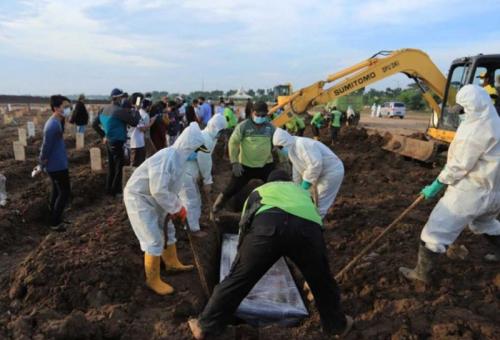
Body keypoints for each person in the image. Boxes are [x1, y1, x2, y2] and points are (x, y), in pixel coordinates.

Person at [188, 169, 353, 339]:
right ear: (290, 182)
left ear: (269, 182)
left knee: (237, 280)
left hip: (267, 228)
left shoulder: (259, 191)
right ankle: (337, 327)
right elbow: (314, 222)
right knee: (322, 281)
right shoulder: (302, 192)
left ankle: (205, 326)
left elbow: (244, 225)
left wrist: (243, 257)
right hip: (306, 231)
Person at [399, 85, 500, 284]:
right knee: (484, 223)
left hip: (471, 191)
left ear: (471, 107)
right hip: (495, 192)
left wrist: (438, 183)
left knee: (435, 231)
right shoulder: (496, 122)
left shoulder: (475, 130)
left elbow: (458, 165)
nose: (461, 113)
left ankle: (422, 275)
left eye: (463, 109)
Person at [124, 123, 209, 295]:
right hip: (140, 199)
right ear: (189, 145)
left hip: (156, 199)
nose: (196, 152)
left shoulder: (180, 161)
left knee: (168, 230)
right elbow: (158, 189)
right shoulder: (167, 157)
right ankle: (152, 279)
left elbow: (171, 189)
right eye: (196, 148)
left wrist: (177, 207)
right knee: (153, 237)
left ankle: (171, 263)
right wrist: (177, 208)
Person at [212, 101, 276, 213]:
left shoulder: (270, 127)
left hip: (266, 165)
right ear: (252, 112)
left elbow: (277, 143)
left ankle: (275, 209)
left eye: (263, 115)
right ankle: (217, 206)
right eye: (258, 115)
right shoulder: (243, 126)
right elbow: (233, 143)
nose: (260, 117)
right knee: (232, 188)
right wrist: (235, 162)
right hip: (246, 165)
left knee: (274, 187)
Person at [273, 128, 344, 218]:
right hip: (319, 173)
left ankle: (317, 224)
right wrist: (297, 189)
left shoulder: (302, 144)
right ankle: (310, 219)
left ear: (286, 141)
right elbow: (297, 171)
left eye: (280, 147)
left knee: (320, 201)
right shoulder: (291, 150)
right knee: (309, 199)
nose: (280, 150)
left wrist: (305, 184)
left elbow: (315, 165)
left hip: (331, 171)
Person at [176, 114, 227, 234]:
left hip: (189, 173)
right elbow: (205, 161)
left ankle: (194, 223)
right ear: (214, 127)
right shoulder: (204, 139)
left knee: (196, 200)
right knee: (190, 201)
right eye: (220, 131)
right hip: (184, 174)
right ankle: (192, 229)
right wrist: (207, 181)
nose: (221, 134)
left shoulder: (209, 138)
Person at [93, 88, 140, 196]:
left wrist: (103, 135)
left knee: (112, 166)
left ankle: (109, 189)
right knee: (119, 166)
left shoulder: (104, 109)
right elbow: (134, 122)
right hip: (117, 141)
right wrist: (137, 110)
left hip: (109, 141)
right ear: (118, 98)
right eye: (122, 97)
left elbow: (94, 124)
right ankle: (116, 191)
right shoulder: (119, 111)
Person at [40, 95, 72, 232]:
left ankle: (54, 216)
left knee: (57, 190)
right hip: (56, 165)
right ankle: (55, 222)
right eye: (65, 107)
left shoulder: (57, 122)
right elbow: (45, 146)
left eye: (68, 107)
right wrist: (42, 161)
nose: (68, 109)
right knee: (65, 192)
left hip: (58, 163)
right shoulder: (52, 125)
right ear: (56, 108)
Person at [129, 98, 156, 167]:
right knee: (136, 164)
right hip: (138, 143)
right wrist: (152, 122)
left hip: (135, 141)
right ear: (147, 107)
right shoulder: (144, 115)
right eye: (150, 106)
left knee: (136, 163)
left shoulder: (136, 112)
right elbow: (143, 130)